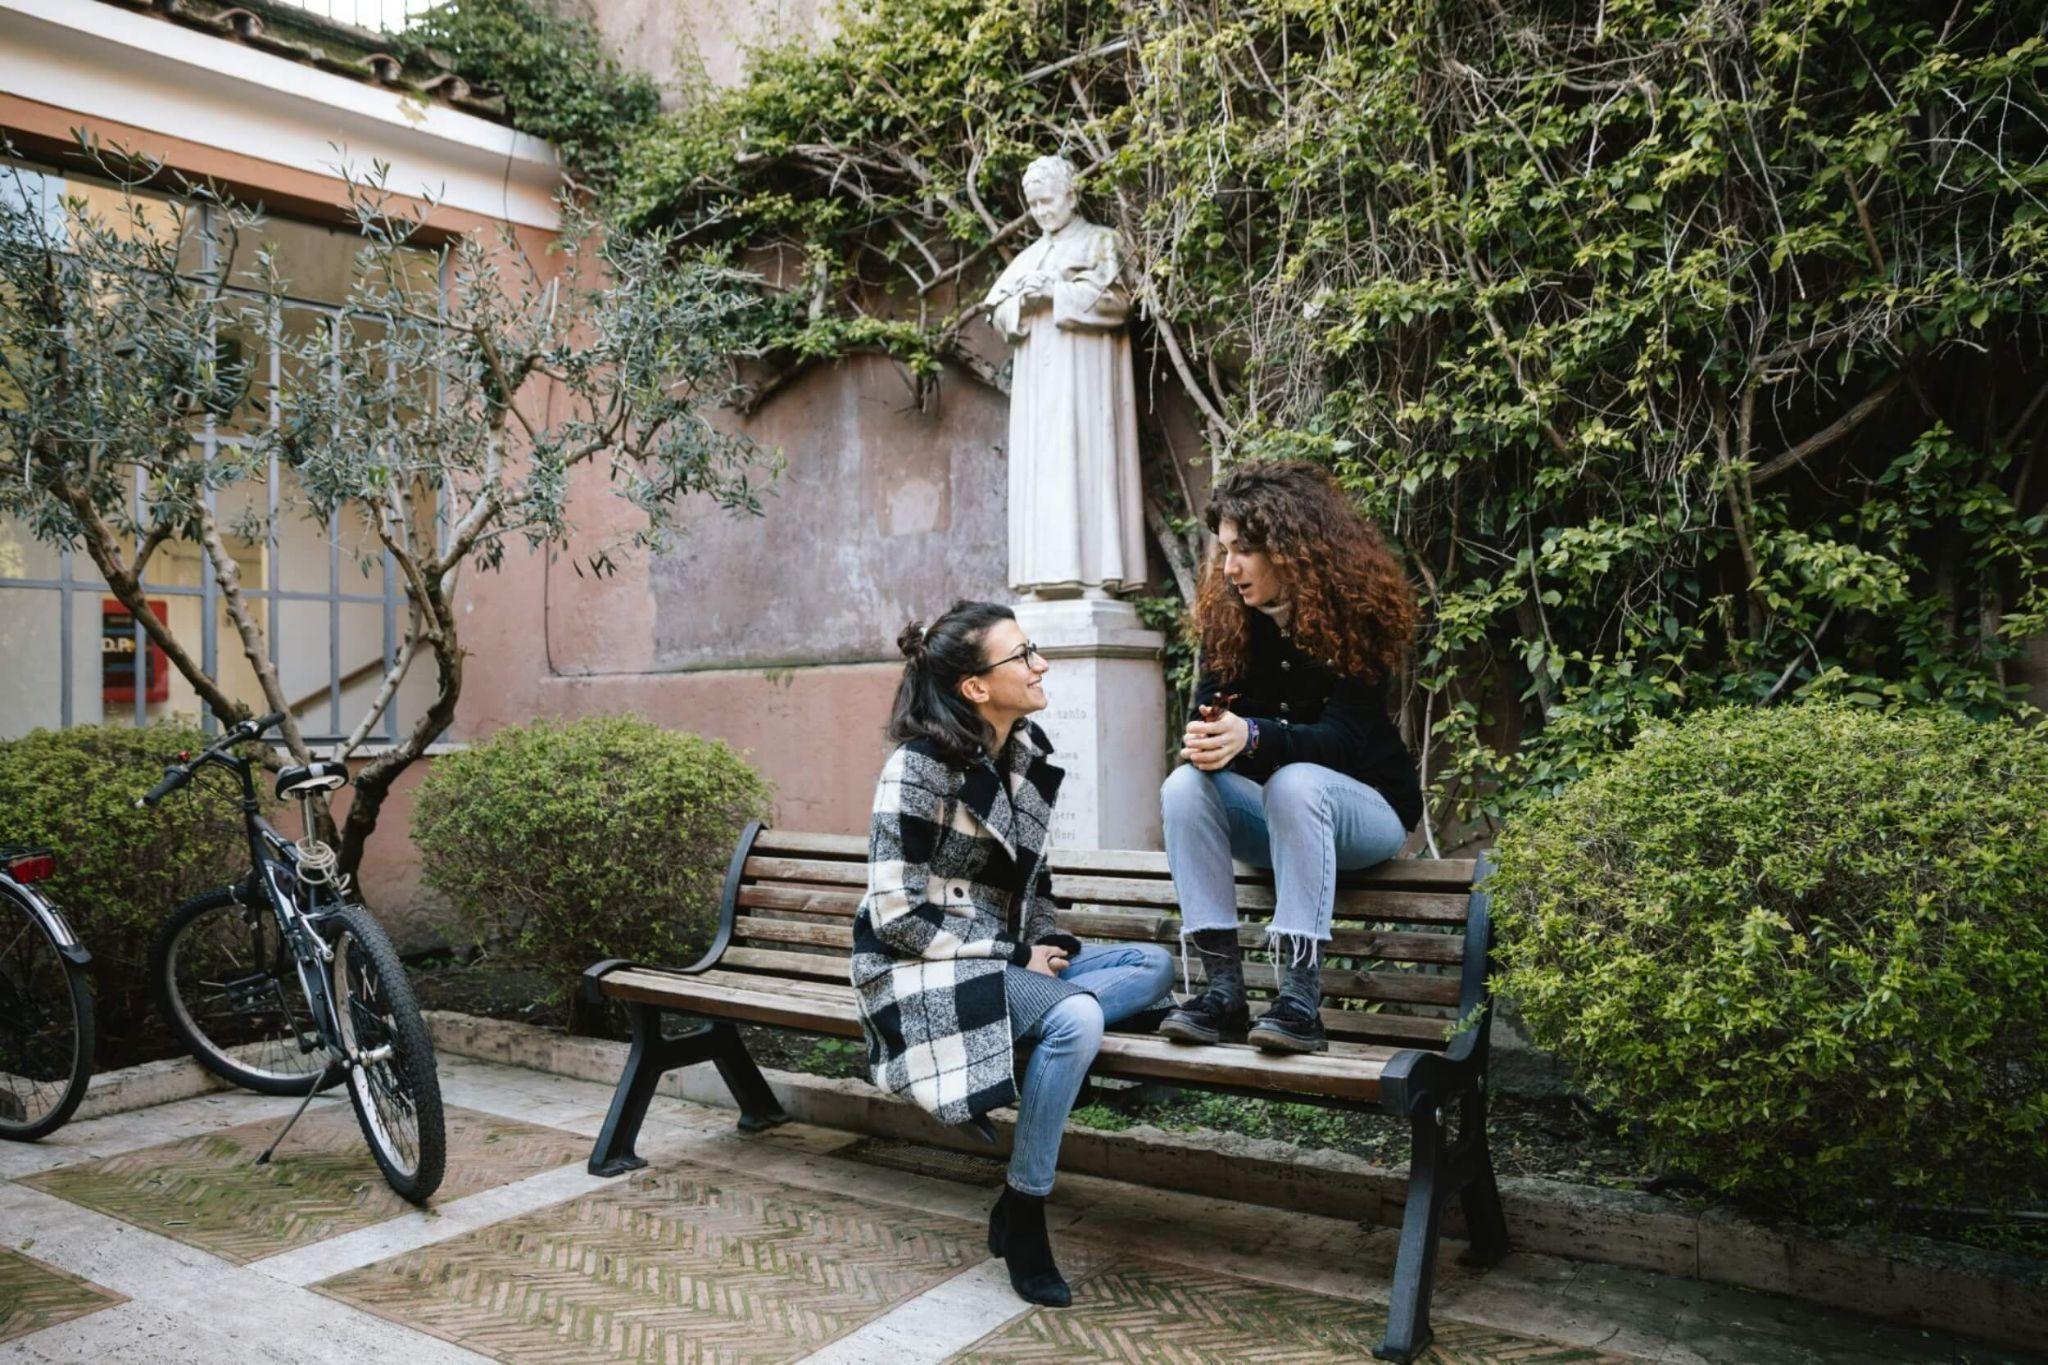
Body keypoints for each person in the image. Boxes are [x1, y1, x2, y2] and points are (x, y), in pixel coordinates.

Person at [851, 600, 1174, 1307]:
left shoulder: (1022, 753)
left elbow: (1038, 883)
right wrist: (1012, 950)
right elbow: (895, 914)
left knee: (1154, 967)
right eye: (1022, 654)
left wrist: (1045, 939)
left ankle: (1046, 1031)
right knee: (1078, 1023)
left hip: (1003, 960)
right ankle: (1023, 1206)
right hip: (919, 966)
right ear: (975, 686)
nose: (1041, 664)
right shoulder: (918, 768)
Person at [1159, 462, 1423, 1054]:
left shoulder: (1357, 617)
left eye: (1245, 551)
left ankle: (1300, 1001)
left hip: (1366, 815)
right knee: (1183, 786)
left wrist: (1252, 736)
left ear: (1290, 548)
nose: (1229, 568)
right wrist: (1209, 741)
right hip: (1278, 819)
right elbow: (1209, 719)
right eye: (1224, 551)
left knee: (1298, 780)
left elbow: (1343, 743)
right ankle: (1223, 993)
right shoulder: (1228, 622)